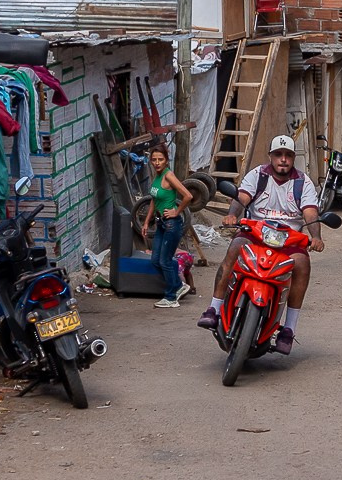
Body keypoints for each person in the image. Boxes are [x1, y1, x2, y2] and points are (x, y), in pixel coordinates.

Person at [198, 135, 323, 354]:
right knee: (234, 248)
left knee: (302, 263)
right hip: (256, 233)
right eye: (278, 155)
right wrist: (231, 215)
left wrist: (316, 236)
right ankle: (213, 309)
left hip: (288, 240)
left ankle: (288, 330)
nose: (283, 160)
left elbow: (310, 212)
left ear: (293, 158)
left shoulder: (303, 182)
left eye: (288, 156)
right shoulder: (257, 175)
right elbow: (242, 198)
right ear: (271, 157)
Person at [137, 142, 195, 308]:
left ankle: (171, 297)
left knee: (165, 261)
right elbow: (154, 201)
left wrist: (177, 212)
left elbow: (188, 195)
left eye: (160, 159)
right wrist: (147, 222)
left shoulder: (169, 176)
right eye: (154, 159)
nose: (157, 163)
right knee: (156, 260)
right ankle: (179, 285)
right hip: (161, 224)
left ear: (166, 161)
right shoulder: (156, 176)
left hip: (172, 224)